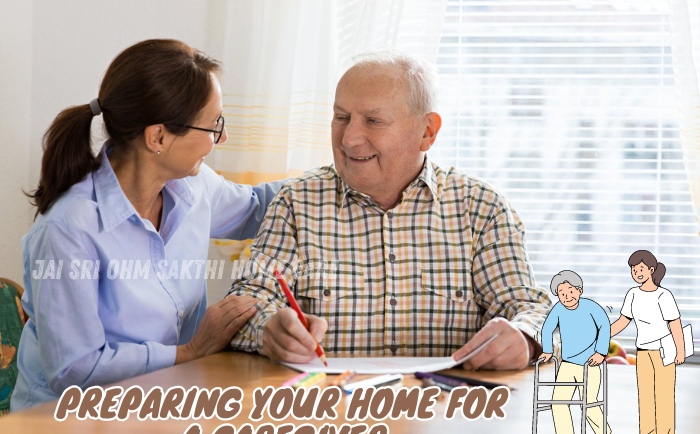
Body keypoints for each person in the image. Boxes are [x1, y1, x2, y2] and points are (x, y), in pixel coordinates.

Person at [228, 50, 551, 370]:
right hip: (329, 408)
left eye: (373, 121)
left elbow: (528, 307)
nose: (350, 139)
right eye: (341, 117)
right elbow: (245, 305)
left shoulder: (481, 208)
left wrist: (525, 337)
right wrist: (267, 330)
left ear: (427, 132)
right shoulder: (296, 202)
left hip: (444, 409)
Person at [11, 39, 283, 411]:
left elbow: (259, 207)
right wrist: (190, 351)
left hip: (159, 408)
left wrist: (340, 172)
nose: (221, 137)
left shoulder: (192, 186)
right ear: (158, 137)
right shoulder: (69, 228)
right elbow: (76, 369)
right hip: (65, 425)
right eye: (212, 125)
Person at [611, 250, 685, 434]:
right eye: (634, 270)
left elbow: (675, 324)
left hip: (664, 352)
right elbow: (623, 321)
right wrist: (602, 333)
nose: (637, 273)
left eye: (641, 269)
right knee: (645, 398)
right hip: (642, 352)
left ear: (651, 270)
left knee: (663, 398)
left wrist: (680, 350)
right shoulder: (633, 294)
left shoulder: (664, 295)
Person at [539, 270, 616, 434]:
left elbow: (605, 327)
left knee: (589, 404)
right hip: (567, 364)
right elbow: (547, 328)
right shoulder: (558, 309)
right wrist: (547, 350)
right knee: (558, 402)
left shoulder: (591, 308)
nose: (567, 297)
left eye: (570, 291)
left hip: (591, 364)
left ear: (579, 290)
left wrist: (600, 352)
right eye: (562, 293)